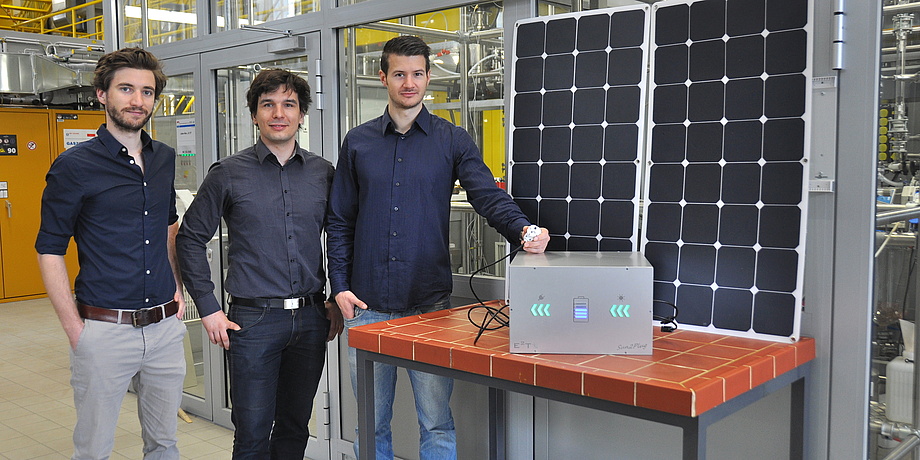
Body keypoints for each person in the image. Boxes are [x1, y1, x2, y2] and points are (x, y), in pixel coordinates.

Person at [327, 35, 550, 460]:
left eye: (416, 74)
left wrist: (523, 231)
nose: (408, 83)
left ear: (428, 77)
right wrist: (339, 288)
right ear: (384, 78)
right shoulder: (357, 142)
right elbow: (339, 221)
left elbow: (486, 194)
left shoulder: (452, 139)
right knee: (371, 424)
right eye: (398, 74)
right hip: (365, 306)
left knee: (436, 421)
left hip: (429, 307)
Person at [176, 68, 344, 459]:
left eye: (289, 104)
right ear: (254, 115)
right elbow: (190, 238)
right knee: (251, 433)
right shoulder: (228, 173)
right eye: (268, 104)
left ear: (302, 114)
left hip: (310, 318)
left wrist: (337, 295)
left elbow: (339, 237)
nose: (278, 113)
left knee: (294, 427)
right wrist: (209, 308)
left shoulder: (324, 174)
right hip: (252, 322)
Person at [35, 47, 186, 459]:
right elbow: (49, 248)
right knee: (94, 448)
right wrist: (74, 330)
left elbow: (168, 224)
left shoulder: (164, 159)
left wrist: (176, 286)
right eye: (126, 89)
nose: (138, 101)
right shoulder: (74, 165)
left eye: (147, 92)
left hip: (164, 330)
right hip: (103, 330)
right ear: (102, 94)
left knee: (164, 443)